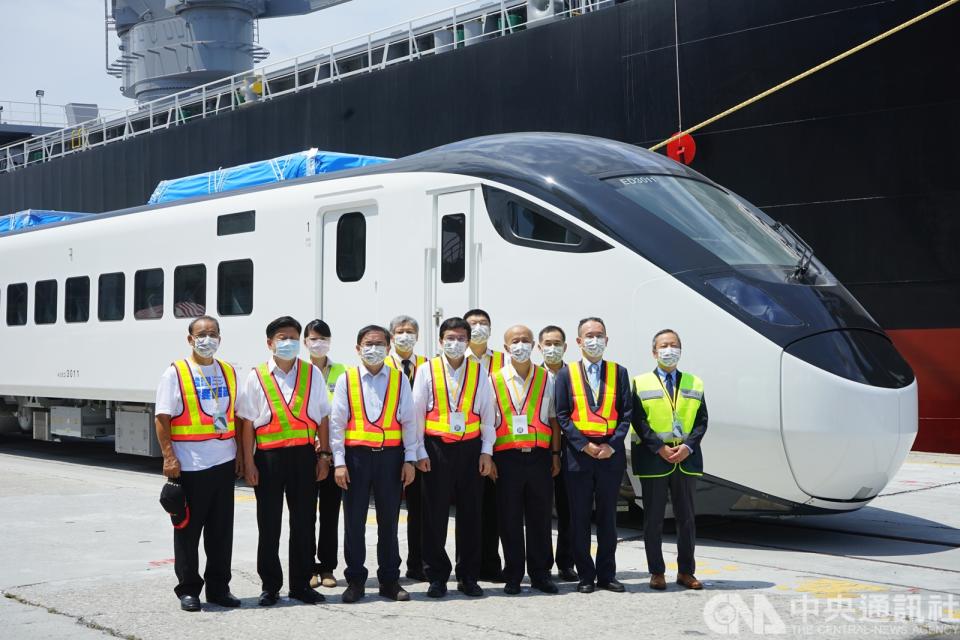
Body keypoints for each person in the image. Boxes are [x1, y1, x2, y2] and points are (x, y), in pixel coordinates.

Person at [238, 316, 330, 606]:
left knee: (304, 523)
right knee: (269, 524)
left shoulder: (312, 374)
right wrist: (249, 463)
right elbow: (248, 424)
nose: (288, 343)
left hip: (303, 456)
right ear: (270, 343)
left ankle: (301, 584)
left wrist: (324, 455)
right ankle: (270, 585)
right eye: (282, 337)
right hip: (268, 458)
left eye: (293, 337)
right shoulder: (257, 376)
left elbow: (323, 417)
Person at [154, 315, 241, 612]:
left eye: (213, 334)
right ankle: (188, 589)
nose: (207, 339)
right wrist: (169, 456)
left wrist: (240, 454)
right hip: (190, 465)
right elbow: (162, 418)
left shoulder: (228, 371)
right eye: (201, 335)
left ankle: (219, 588)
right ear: (190, 339)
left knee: (220, 532)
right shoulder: (175, 373)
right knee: (188, 531)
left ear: (220, 338)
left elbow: (235, 417)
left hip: (223, 461)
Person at [330, 325, 419, 602]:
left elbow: (409, 421)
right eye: (368, 344)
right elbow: (337, 424)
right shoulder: (347, 379)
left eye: (380, 344)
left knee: (389, 522)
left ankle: (390, 580)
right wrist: (339, 462)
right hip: (356, 459)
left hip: (390, 458)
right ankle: (355, 580)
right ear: (358, 349)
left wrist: (410, 459)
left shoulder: (398, 378)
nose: (374, 349)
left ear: (389, 348)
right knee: (354, 522)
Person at [412, 317, 496, 598]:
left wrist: (486, 452)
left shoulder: (479, 371)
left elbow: (487, 414)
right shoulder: (427, 370)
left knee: (471, 516)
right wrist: (419, 451)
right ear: (440, 340)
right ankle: (436, 575)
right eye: (450, 337)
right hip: (436, 449)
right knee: (434, 516)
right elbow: (416, 414)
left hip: (470, 450)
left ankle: (468, 576)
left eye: (462, 338)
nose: (456, 343)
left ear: (469, 341)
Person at [554, 317, 632, 594]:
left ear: (607, 340)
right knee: (579, 518)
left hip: (610, 455)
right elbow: (562, 415)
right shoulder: (566, 374)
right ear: (578, 342)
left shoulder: (619, 372)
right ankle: (585, 575)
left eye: (599, 335)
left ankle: (607, 574)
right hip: (579, 456)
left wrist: (612, 444)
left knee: (608, 518)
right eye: (589, 335)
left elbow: (626, 414)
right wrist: (583, 444)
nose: (594, 340)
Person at [631, 329, 708, 591]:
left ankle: (686, 571)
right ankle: (656, 572)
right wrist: (658, 447)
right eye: (664, 345)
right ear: (654, 352)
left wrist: (688, 446)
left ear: (680, 350)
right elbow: (638, 420)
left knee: (686, 518)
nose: (669, 350)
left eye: (674, 345)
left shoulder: (694, 383)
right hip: (655, 459)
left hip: (685, 459)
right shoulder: (640, 383)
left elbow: (701, 421)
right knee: (653, 518)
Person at [488, 325, 562, 595]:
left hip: (540, 458)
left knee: (540, 518)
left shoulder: (546, 378)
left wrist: (555, 455)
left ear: (534, 345)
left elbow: (554, 420)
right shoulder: (493, 380)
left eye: (525, 341)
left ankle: (541, 574)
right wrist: (489, 456)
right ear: (506, 348)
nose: (520, 345)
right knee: (509, 518)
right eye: (514, 341)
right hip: (506, 458)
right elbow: (487, 423)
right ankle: (514, 575)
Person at [384, 315, 429, 581]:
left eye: (410, 331)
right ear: (392, 336)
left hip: (419, 445)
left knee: (420, 508)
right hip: (390, 445)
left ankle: (418, 562)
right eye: (400, 331)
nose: (405, 335)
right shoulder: (383, 364)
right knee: (389, 509)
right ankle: (390, 565)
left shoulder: (427, 365)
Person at [303, 319, 346, 590]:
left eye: (323, 338)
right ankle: (307, 567)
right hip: (306, 451)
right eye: (313, 338)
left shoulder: (342, 371)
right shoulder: (298, 371)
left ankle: (328, 567)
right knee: (305, 513)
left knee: (331, 512)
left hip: (334, 452)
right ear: (305, 342)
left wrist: (331, 451)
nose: (319, 342)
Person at [463, 308, 505, 582]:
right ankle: (468, 565)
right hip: (467, 444)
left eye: (484, 323)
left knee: (494, 510)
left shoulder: (504, 360)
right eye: (473, 324)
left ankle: (491, 564)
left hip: (501, 443)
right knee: (469, 510)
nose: (479, 328)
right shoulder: (453, 360)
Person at [538, 324, 578, 583]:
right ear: (539, 347)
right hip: (541, 448)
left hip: (570, 446)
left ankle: (566, 563)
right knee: (540, 510)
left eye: (557, 343)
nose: (552, 348)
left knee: (568, 508)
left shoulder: (575, 375)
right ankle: (541, 564)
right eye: (547, 343)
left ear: (566, 347)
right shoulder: (532, 374)